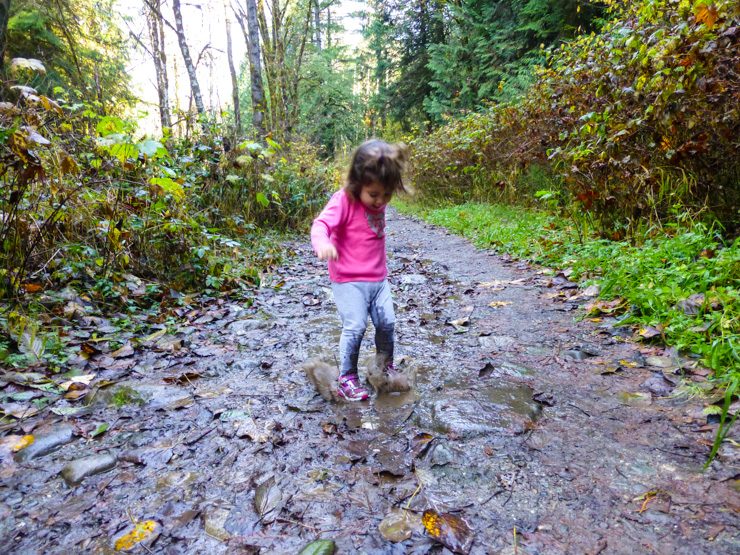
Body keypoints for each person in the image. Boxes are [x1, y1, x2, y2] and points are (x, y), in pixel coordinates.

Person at [310, 139, 408, 401]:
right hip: (348, 280)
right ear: (357, 183)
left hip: (378, 279)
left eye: (386, 195)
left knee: (387, 322)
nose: (380, 201)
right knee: (355, 326)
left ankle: (383, 368)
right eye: (373, 195)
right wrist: (322, 243)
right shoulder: (343, 200)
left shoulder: (379, 196)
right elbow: (321, 225)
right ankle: (346, 378)